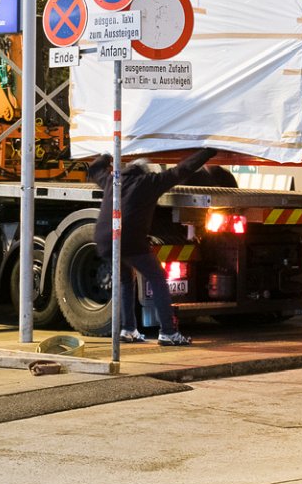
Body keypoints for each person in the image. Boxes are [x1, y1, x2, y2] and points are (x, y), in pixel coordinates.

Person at [86, 147, 217, 346]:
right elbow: (182, 170)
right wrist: (208, 151)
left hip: (105, 238)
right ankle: (168, 332)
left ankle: (128, 329)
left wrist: (107, 154)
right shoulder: (149, 182)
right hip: (130, 239)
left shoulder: (113, 181)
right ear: (146, 171)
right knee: (157, 278)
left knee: (125, 281)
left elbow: (95, 168)